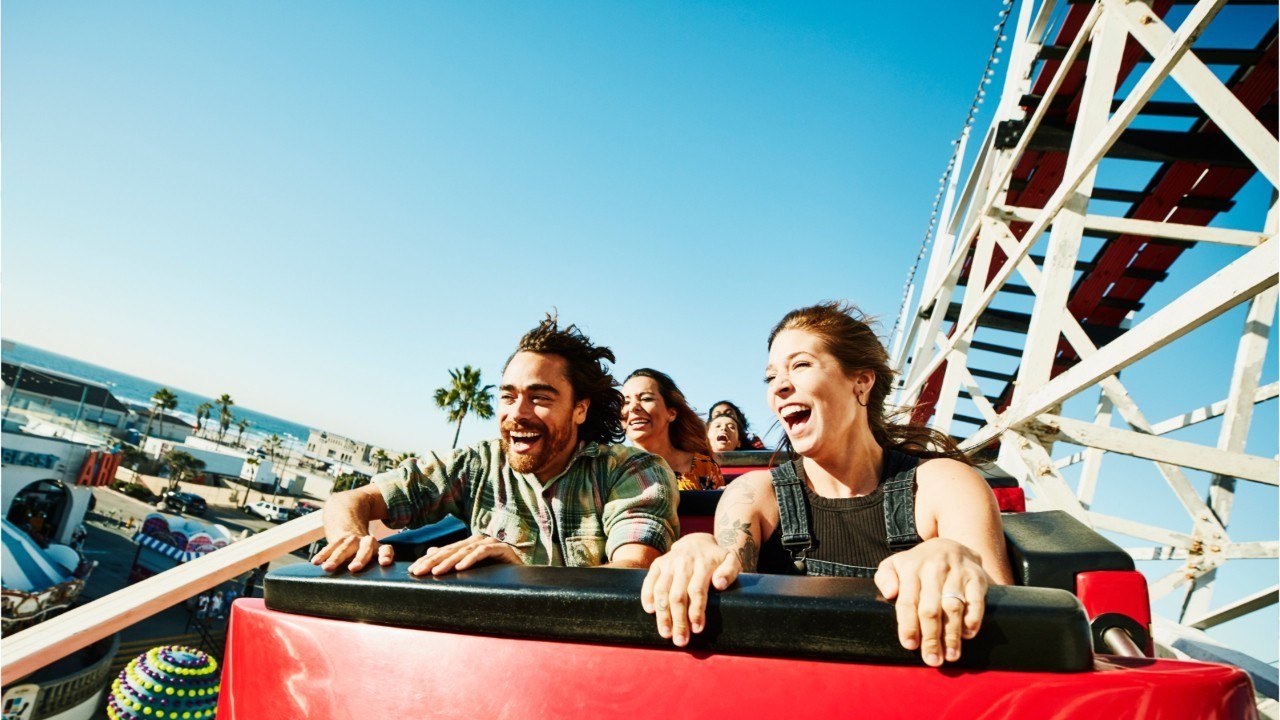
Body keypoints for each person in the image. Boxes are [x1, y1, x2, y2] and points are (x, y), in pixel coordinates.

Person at [641, 302, 1013, 667]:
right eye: (771, 377)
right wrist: (696, 549)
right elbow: (725, 579)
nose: (780, 387)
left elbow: (1016, 619)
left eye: (800, 365)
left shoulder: (943, 484)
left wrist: (953, 558)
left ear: (861, 382)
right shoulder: (756, 495)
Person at [313, 314, 679, 576]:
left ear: (580, 408)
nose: (517, 413)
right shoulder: (481, 464)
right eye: (508, 396)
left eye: (540, 397)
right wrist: (351, 538)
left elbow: (630, 576)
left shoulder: (632, 471)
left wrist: (521, 575)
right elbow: (350, 500)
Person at [621, 369, 724, 491]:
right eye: (626, 402)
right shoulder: (611, 468)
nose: (633, 407)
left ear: (671, 413)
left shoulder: (704, 467)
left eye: (646, 399)